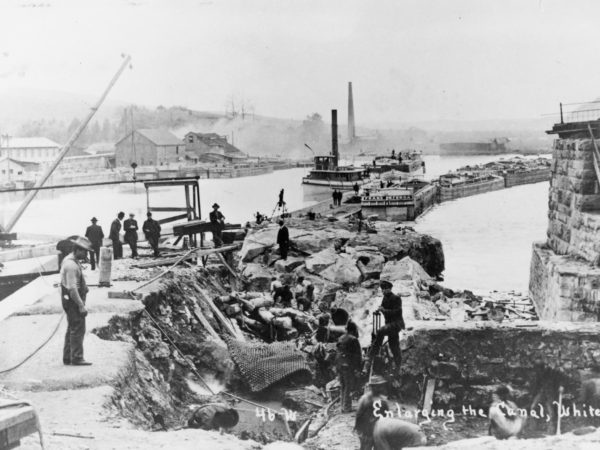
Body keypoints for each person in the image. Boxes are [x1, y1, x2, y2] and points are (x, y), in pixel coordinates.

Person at [61, 236, 93, 366]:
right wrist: (81, 306)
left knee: (72, 328)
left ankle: (68, 356)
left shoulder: (71, 260)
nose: (86, 254)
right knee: (78, 328)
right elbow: (73, 289)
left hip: (69, 299)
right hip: (73, 300)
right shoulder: (71, 265)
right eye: (85, 252)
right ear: (78, 250)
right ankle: (77, 357)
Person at [367, 280, 405, 376]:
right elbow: (384, 309)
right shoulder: (384, 298)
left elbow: (397, 312)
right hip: (389, 324)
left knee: (380, 331)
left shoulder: (396, 298)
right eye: (382, 289)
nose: (383, 291)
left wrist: (384, 310)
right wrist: (380, 310)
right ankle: (397, 366)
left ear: (389, 289)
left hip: (396, 324)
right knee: (394, 346)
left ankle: (372, 354)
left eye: (385, 289)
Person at [355, 375, 390, 450]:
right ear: (372, 387)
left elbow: (387, 416)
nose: (380, 388)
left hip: (379, 430)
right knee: (366, 447)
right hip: (367, 431)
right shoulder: (365, 399)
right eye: (378, 386)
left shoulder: (383, 400)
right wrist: (359, 429)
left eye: (381, 386)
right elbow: (359, 415)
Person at [337, 321, 362, 413]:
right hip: (348, 366)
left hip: (340, 365)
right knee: (348, 386)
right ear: (353, 329)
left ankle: (342, 407)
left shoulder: (341, 338)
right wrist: (358, 368)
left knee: (343, 385)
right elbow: (358, 355)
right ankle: (347, 407)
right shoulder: (353, 339)